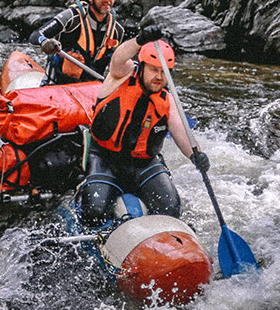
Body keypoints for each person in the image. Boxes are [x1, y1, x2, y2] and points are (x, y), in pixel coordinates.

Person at [76, 25, 211, 229]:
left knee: (171, 209)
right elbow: (119, 57)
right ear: (143, 66)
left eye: (163, 72)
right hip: (106, 158)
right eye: (154, 70)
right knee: (93, 212)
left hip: (143, 163)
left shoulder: (167, 99)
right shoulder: (121, 75)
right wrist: (140, 40)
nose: (159, 76)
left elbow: (181, 132)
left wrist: (196, 154)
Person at [29, 0, 126, 85]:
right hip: (56, 86)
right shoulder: (72, 17)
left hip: (91, 91)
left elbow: (118, 65)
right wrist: (45, 42)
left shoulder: (117, 31)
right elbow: (36, 35)